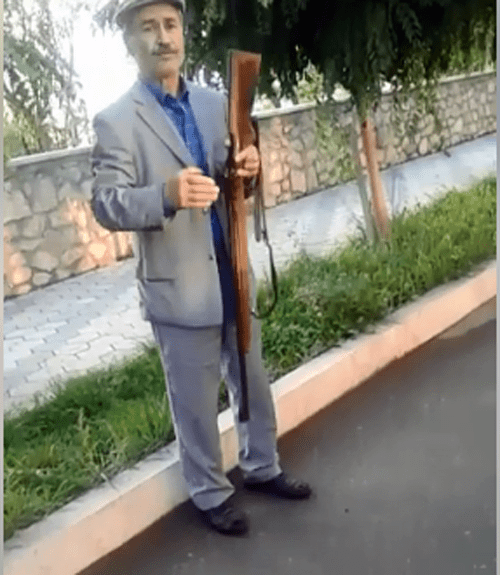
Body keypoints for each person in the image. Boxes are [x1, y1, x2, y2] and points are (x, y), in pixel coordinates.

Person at [91, 0, 312, 536]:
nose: (162, 37)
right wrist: (163, 195)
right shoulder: (116, 121)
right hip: (178, 285)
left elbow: (238, 176)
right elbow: (106, 203)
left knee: (252, 380)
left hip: (232, 270)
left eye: (170, 25)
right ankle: (211, 493)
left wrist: (250, 168)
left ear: (183, 34)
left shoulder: (218, 104)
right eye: (148, 28)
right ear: (130, 43)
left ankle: (262, 467)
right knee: (193, 401)